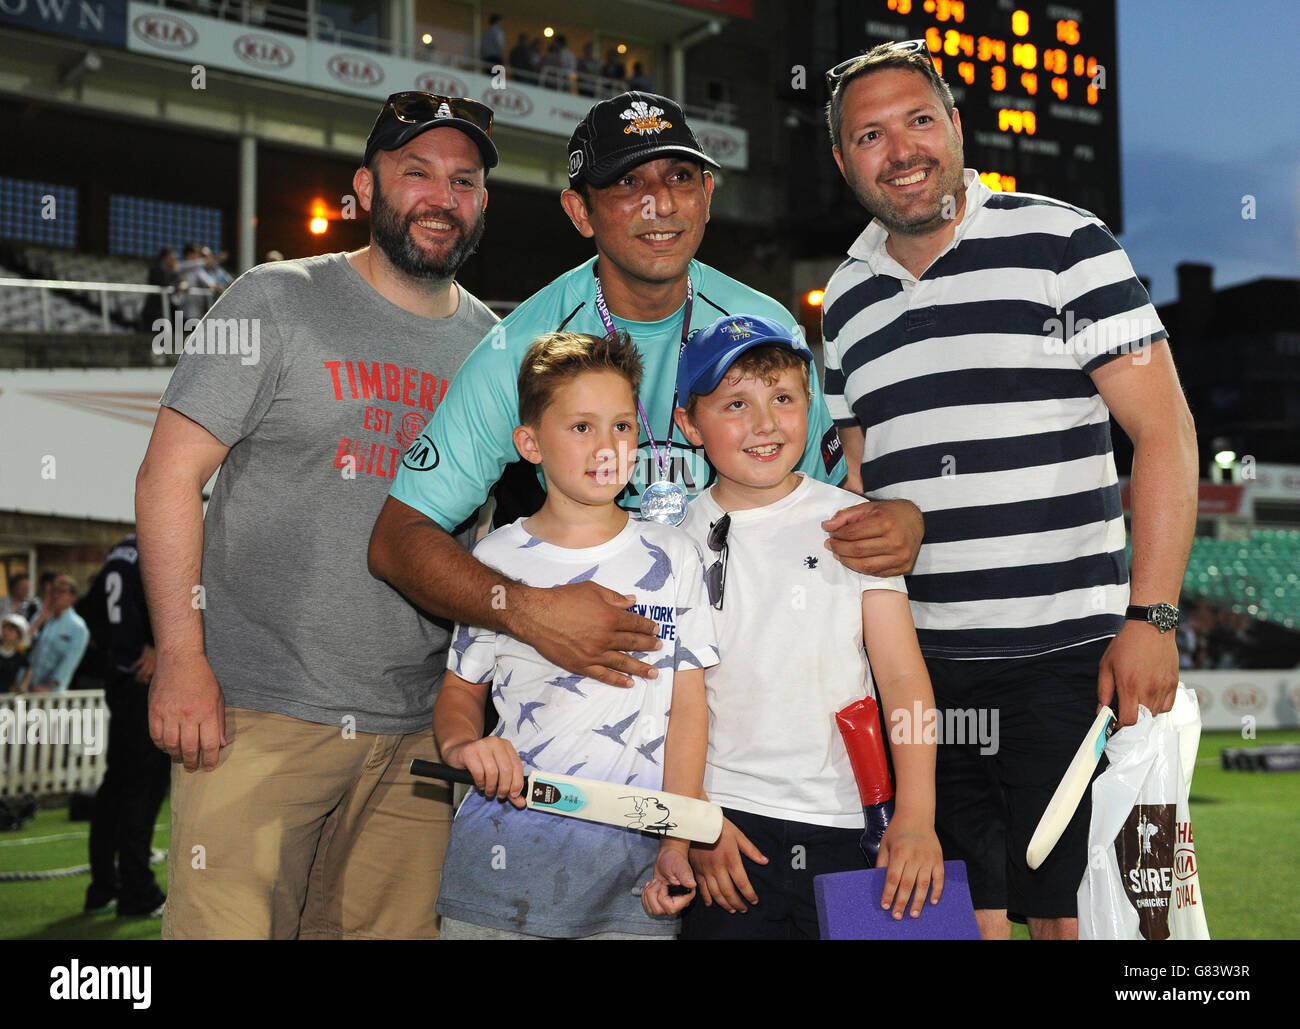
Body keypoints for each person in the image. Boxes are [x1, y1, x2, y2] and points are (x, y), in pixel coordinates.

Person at [820, 41, 1199, 940]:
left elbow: (1167, 433)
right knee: (966, 919)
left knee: (1087, 923)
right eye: (870, 135)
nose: (901, 149)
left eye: (919, 119)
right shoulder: (843, 298)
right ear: (843, 161)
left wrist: (1152, 616)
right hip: (926, 676)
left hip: (1069, 661)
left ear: (955, 127)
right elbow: (862, 481)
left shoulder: (1067, 243)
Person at [369, 91, 921, 698]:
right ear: (581, 212)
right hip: (582, 691)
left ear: (707, 197)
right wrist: (529, 612)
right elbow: (399, 538)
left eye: (679, 177)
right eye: (627, 182)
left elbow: (825, 501)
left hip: (734, 686)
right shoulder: (525, 345)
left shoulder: (763, 326)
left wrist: (891, 521)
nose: (659, 203)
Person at [135, 91, 500, 940]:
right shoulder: (275, 299)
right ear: (366, 189)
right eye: (417, 173)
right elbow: (166, 478)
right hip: (261, 712)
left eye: (465, 179)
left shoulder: (493, 347)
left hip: (415, 734)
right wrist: (182, 658)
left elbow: (473, 539)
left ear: (483, 201)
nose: (442, 196)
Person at [658, 313, 943, 938]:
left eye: (782, 398)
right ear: (688, 424)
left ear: (808, 405)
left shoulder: (855, 522)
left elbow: (901, 677)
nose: (764, 424)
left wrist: (917, 813)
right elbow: (673, 707)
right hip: (728, 833)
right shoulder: (672, 549)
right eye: (736, 403)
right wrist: (693, 819)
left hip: (854, 823)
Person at [433, 330, 716, 938]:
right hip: (501, 869)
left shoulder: (676, 555)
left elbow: (688, 712)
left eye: (621, 426)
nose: (607, 446)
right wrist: (463, 748)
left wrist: (679, 838)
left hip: (634, 879)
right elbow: (460, 696)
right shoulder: (496, 558)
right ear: (530, 443)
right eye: (581, 427)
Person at [80, 535, 170, 918]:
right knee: (143, 786)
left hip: (121, 679)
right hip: (143, 682)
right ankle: (137, 890)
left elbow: (89, 608)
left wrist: (119, 650)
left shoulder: (121, 550)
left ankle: (104, 886)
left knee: (118, 783)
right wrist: (149, 644)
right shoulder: (158, 546)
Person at [16, 575, 88, 693]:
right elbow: (22, 644)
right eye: (53, 591)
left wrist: (50, 686)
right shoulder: (43, 617)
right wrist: (40, 620)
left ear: (73, 597)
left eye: (61, 592)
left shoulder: (78, 627)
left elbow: (69, 662)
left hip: (50, 692)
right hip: (24, 686)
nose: (56, 596)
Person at [0, 613, 31, 692]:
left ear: (19, 636)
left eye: (10, 630)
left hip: (6, 697)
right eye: (4, 628)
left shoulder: (18, 656)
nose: (6, 632)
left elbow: (29, 669)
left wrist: (24, 685)